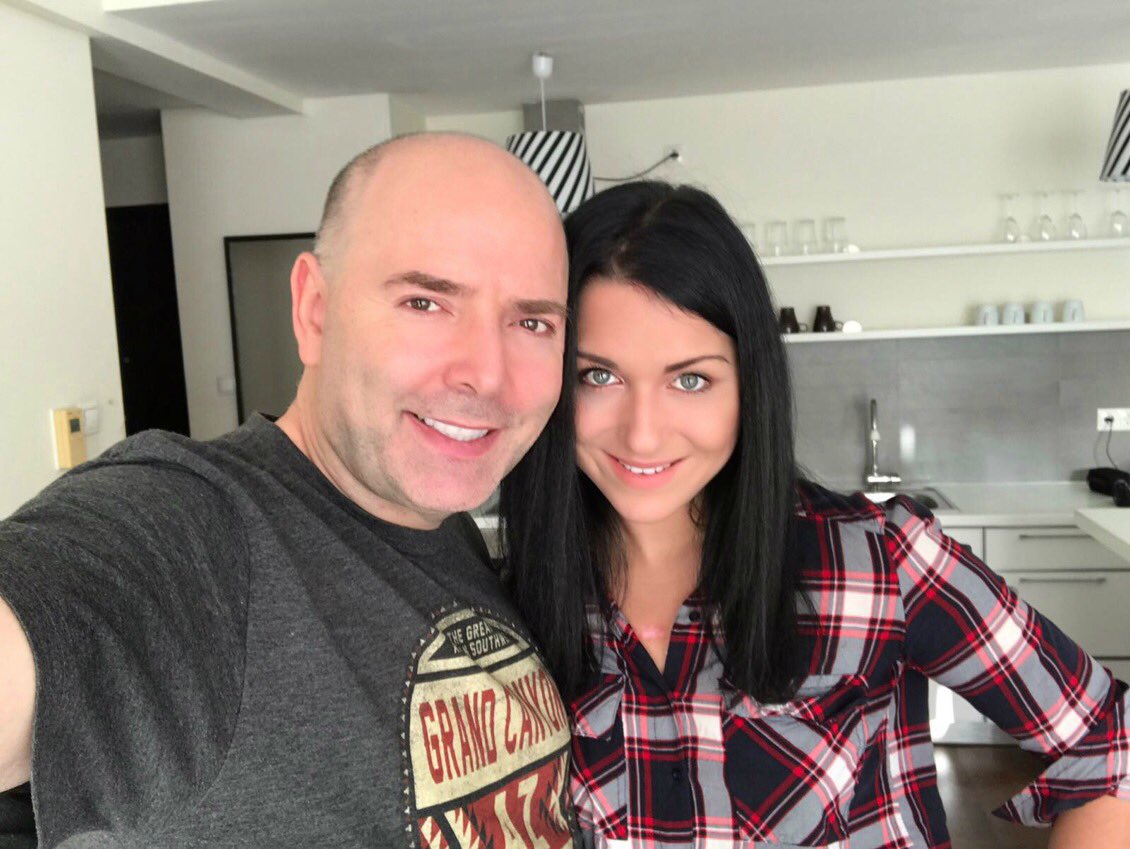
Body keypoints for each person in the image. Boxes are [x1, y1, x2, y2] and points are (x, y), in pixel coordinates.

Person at [500, 180, 1130, 848]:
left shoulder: (878, 561)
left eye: (691, 379)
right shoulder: (508, 610)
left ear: (749, 385)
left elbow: (1110, 738)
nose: (643, 433)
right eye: (598, 376)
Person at [0, 133, 580, 848]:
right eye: (425, 302)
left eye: (532, 321)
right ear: (314, 308)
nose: (486, 373)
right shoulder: (197, 530)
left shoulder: (444, 527)